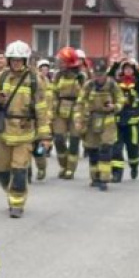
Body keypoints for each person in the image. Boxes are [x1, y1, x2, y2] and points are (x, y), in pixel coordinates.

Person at [0, 41, 51, 218]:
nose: (16, 63)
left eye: (19, 60)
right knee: (2, 170)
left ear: (25, 60)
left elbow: (42, 109)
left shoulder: (34, 80)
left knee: (19, 169)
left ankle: (17, 204)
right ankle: (11, 192)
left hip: (24, 132)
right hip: (4, 132)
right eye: (13, 60)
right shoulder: (0, 77)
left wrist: (45, 136)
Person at [74, 59, 122, 191]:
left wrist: (114, 106)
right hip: (91, 120)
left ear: (105, 74)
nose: (98, 77)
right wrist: (78, 119)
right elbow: (80, 102)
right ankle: (95, 177)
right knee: (92, 149)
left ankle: (104, 179)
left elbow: (121, 100)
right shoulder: (88, 86)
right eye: (96, 74)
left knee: (106, 148)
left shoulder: (112, 85)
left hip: (108, 120)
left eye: (101, 75)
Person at [50, 47, 86, 180]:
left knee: (74, 140)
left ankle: (71, 168)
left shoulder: (81, 76)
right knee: (58, 138)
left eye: (62, 61)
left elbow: (86, 95)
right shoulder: (58, 76)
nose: (60, 63)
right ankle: (63, 165)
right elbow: (53, 92)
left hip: (76, 110)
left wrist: (83, 113)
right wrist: (52, 108)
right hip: (60, 109)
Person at [108, 58, 139, 182]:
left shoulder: (137, 84)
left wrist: (136, 69)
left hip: (133, 123)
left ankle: (134, 166)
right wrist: (116, 65)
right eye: (126, 68)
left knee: (133, 149)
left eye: (130, 69)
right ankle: (117, 174)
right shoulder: (117, 83)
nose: (128, 71)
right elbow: (108, 77)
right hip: (118, 122)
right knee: (116, 149)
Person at [30, 58, 54, 181]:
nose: (44, 71)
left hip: (40, 117)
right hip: (26, 119)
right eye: (42, 68)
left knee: (38, 149)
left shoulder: (46, 82)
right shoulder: (29, 79)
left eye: (46, 69)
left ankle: (41, 168)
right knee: (24, 148)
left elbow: (47, 101)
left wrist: (48, 115)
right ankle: (26, 173)